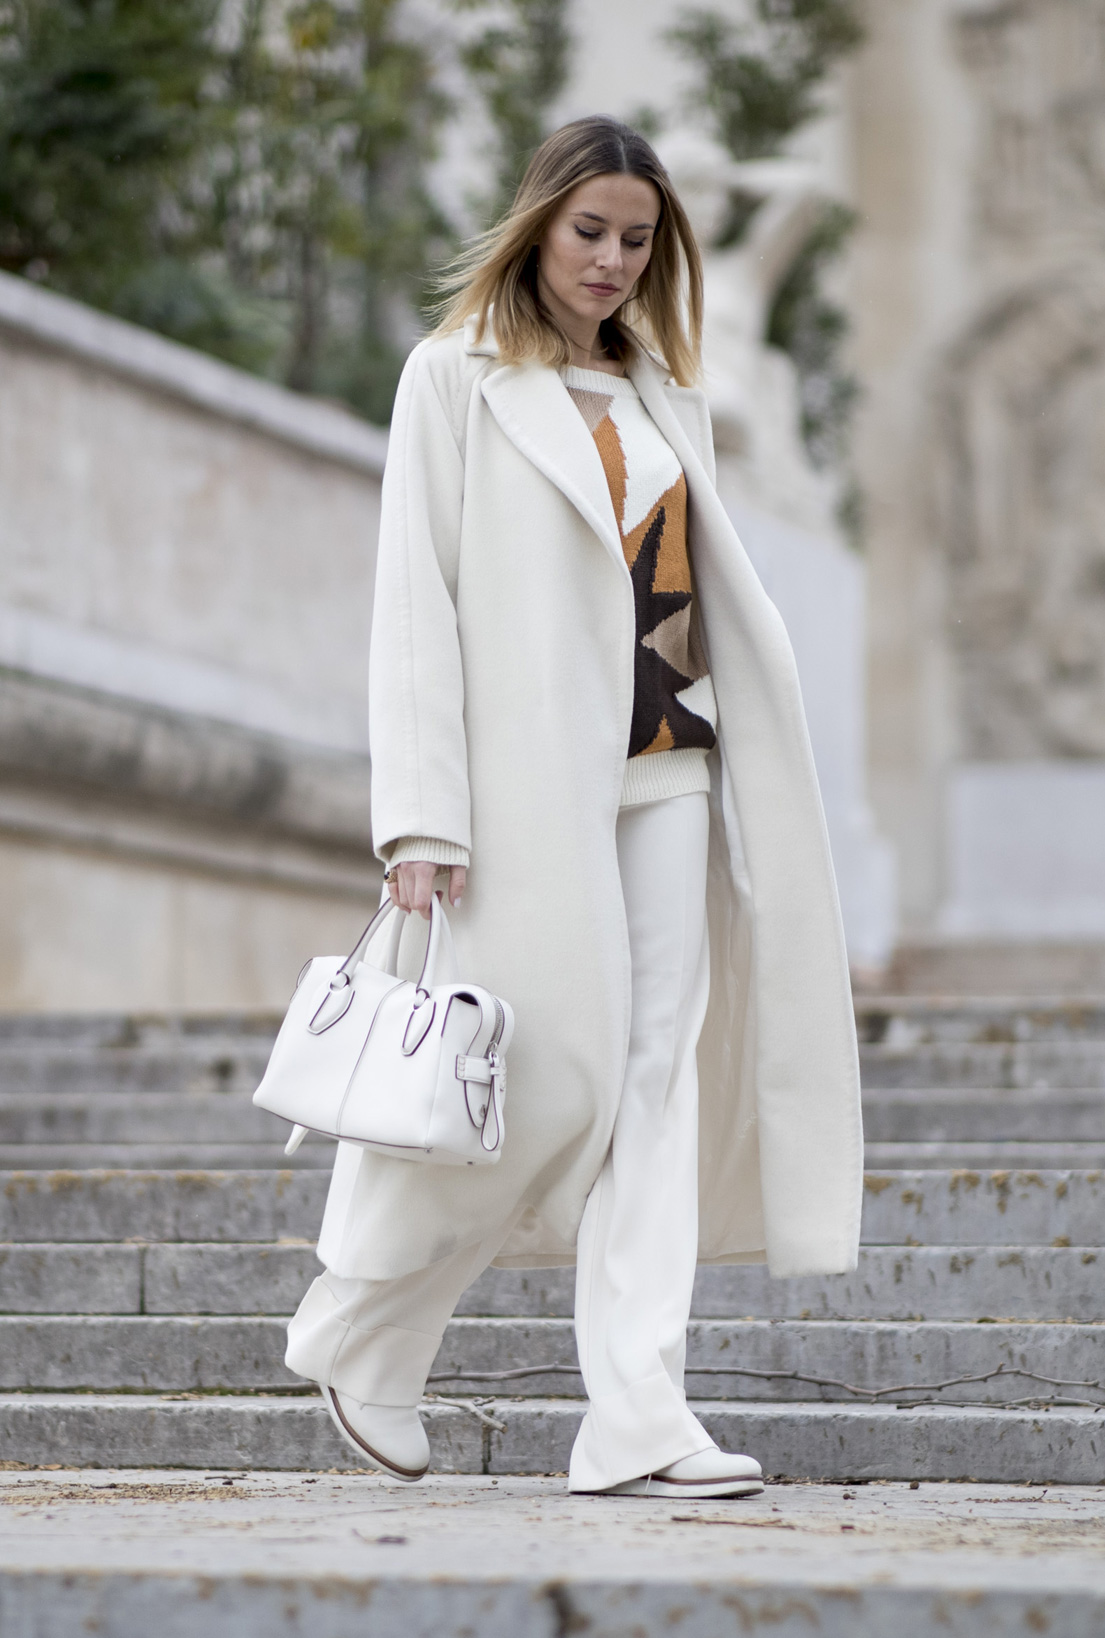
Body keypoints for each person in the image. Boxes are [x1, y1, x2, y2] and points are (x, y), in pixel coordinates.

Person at [281, 116, 865, 1500]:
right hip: (528, 787)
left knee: (655, 1076)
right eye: (589, 230)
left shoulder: (668, 392)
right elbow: (412, 605)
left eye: (637, 238)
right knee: (556, 1079)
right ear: (539, 222)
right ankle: (366, 1332)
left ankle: (639, 1412)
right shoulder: (454, 381)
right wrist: (420, 819)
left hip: (673, 760)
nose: (610, 260)